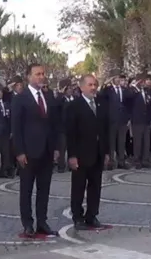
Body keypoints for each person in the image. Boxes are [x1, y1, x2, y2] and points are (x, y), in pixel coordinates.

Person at [10, 63, 59, 237]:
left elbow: (53, 123)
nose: (41, 77)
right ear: (28, 76)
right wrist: (19, 151)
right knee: (27, 190)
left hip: (47, 150)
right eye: (37, 74)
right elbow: (16, 127)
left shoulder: (48, 96)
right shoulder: (20, 98)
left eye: (43, 74)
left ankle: (42, 222)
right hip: (28, 151)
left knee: (44, 189)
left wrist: (56, 147)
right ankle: (28, 224)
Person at [65, 74, 109, 230]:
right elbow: (70, 133)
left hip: (98, 152)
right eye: (90, 85)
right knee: (78, 186)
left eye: (95, 84)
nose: (93, 88)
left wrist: (106, 152)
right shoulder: (74, 106)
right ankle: (77, 217)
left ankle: (92, 215)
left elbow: (105, 130)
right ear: (82, 87)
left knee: (95, 186)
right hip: (81, 154)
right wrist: (72, 155)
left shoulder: (101, 104)